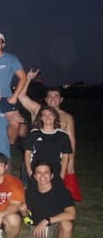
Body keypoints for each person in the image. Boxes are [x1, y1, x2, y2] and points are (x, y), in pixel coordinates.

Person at [19, 69, 79, 199]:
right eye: (50, 96)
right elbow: (21, 97)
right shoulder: (37, 110)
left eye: (56, 96)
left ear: (61, 99)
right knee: (29, 188)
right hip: (33, 159)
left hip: (54, 161)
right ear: (46, 99)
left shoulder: (67, 117)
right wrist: (28, 79)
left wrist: (70, 164)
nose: (53, 99)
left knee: (51, 189)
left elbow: (71, 141)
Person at [19, 162, 75, 238]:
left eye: (46, 172)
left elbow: (71, 214)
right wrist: (23, 212)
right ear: (34, 176)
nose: (42, 175)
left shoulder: (62, 192)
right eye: (39, 173)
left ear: (52, 175)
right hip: (38, 227)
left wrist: (47, 220)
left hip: (56, 225)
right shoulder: (30, 192)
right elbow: (28, 218)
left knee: (67, 225)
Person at [23, 106, 72, 186]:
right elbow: (27, 154)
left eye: (50, 114)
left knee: (53, 194)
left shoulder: (63, 135)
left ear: (55, 116)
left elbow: (65, 156)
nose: (47, 117)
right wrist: (30, 172)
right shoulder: (33, 134)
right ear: (41, 118)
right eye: (44, 115)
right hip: (37, 169)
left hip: (55, 170)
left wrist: (62, 174)